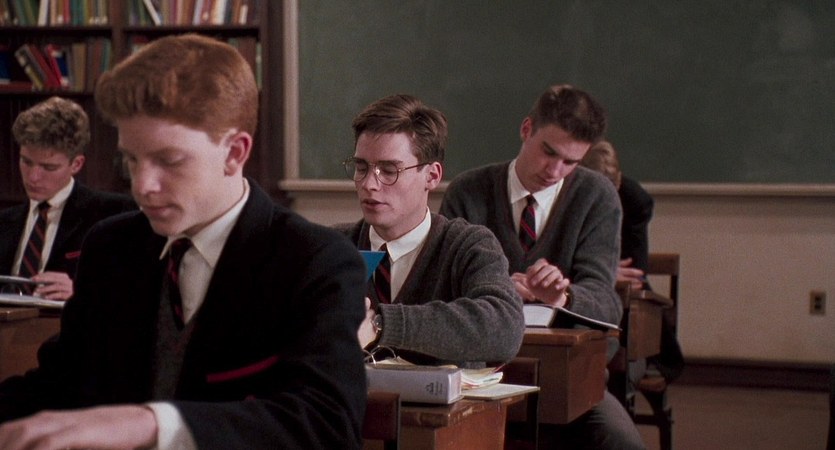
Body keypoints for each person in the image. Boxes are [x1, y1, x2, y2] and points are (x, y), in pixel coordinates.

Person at [0, 34, 368, 450]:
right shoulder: (109, 247)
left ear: (235, 152)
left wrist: (150, 424)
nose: (142, 185)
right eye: (131, 160)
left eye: (169, 160)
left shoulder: (315, 261)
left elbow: (326, 426)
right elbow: (58, 385)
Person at [440, 85, 645, 449]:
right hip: (478, 372)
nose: (554, 171)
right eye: (548, 152)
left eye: (571, 162)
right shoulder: (467, 191)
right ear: (526, 129)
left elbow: (607, 303)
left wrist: (563, 296)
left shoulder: (597, 196)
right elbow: (441, 289)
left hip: (565, 378)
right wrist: (498, 288)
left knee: (622, 443)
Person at [338, 93, 524, 369]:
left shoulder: (468, 246)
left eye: (389, 170)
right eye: (361, 167)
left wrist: (381, 325)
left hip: (442, 398)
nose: (369, 184)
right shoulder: (332, 246)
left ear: (432, 176)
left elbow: (505, 329)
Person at [0, 96, 135, 301]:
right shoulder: (4, 222)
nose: (33, 177)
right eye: (26, 162)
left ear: (76, 164)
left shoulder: (113, 213)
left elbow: (135, 290)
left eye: (49, 167)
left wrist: (81, 290)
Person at [581, 140, 684, 383]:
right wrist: (604, 269)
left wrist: (601, 270)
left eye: (609, 192)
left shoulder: (636, 200)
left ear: (618, 184)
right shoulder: (566, 193)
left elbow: (634, 271)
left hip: (619, 297)